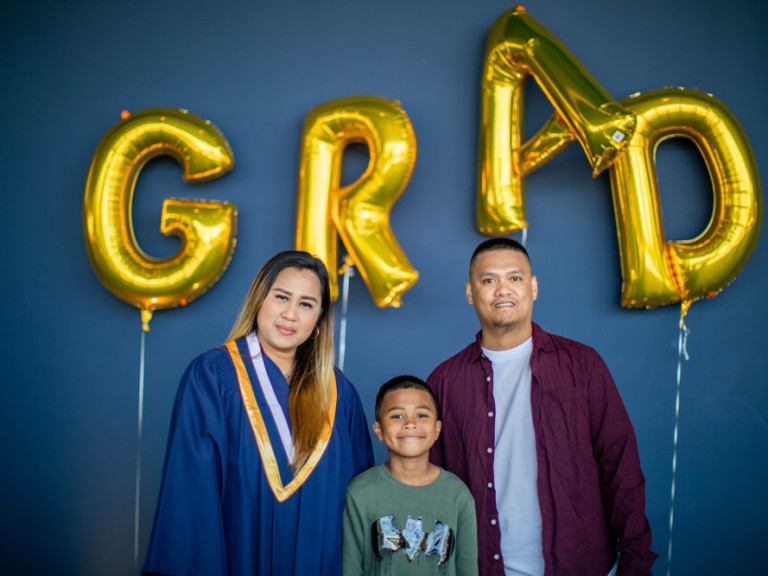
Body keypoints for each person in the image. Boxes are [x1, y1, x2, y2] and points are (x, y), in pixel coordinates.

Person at [427, 238, 656, 576]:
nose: (503, 290)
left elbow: (620, 465)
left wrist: (635, 562)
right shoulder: (444, 381)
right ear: (470, 292)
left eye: (515, 278)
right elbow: (431, 488)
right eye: (489, 280)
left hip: (580, 564)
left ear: (533, 287)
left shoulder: (582, 365)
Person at [143, 250, 374, 576]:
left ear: (319, 320)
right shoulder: (214, 376)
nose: (291, 314)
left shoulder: (339, 392)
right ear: (259, 301)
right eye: (282, 297)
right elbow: (191, 493)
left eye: (306, 304)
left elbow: (360, 500)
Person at [342, 375, 478, 576]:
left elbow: (468, 569)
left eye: (421, 415)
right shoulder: (359, 493)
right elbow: (350, 568)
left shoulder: (458, 494)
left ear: (437, 429)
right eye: (397, 416)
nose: (410, 423)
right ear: (378, 430)